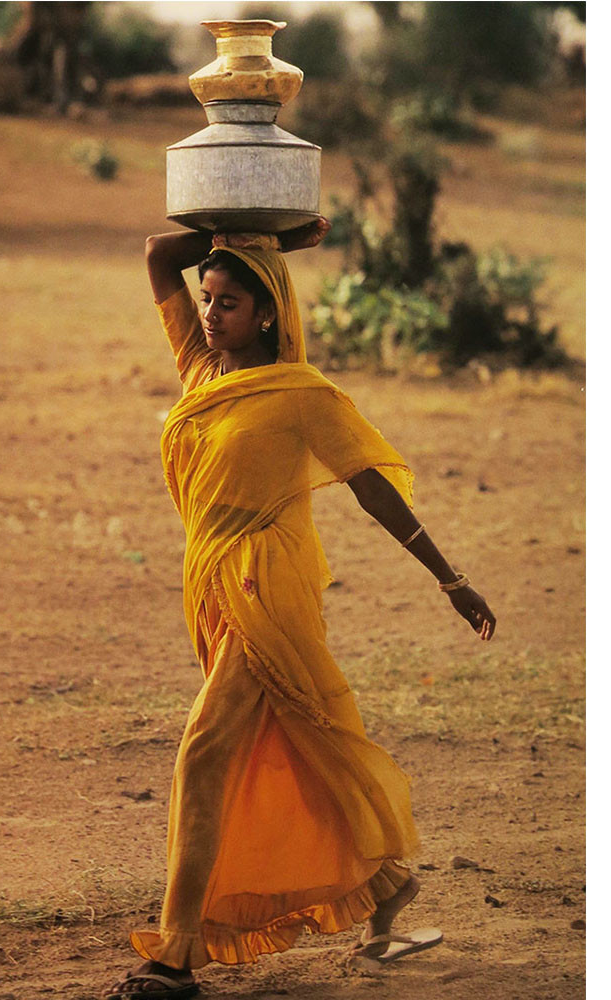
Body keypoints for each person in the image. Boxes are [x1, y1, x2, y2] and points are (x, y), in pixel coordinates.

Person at [105, 219, 496, 1000]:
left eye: (231, 302)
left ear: (269, 315)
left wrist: (450, 579)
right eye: (208, 299)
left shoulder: (303, 396)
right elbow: (157, 256)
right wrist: (248, 232)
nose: (211, 314)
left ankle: (175, 955)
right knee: (301, 736)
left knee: (204, 752)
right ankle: (386, 887)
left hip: (268, 592)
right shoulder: (201, 374)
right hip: (214, 592)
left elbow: (371, 487)